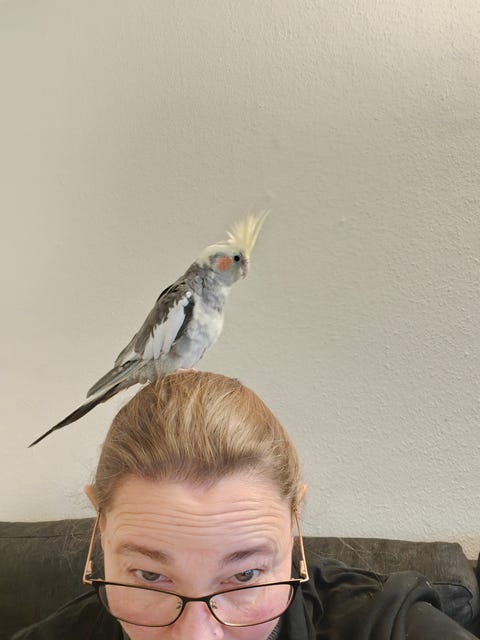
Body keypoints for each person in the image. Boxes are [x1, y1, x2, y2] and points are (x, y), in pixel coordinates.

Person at [13, 371, 477, 640]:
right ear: (101, 525)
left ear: (294, 521)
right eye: (150, 576)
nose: (197, 636)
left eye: (245, 575)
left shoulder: (381, 623)